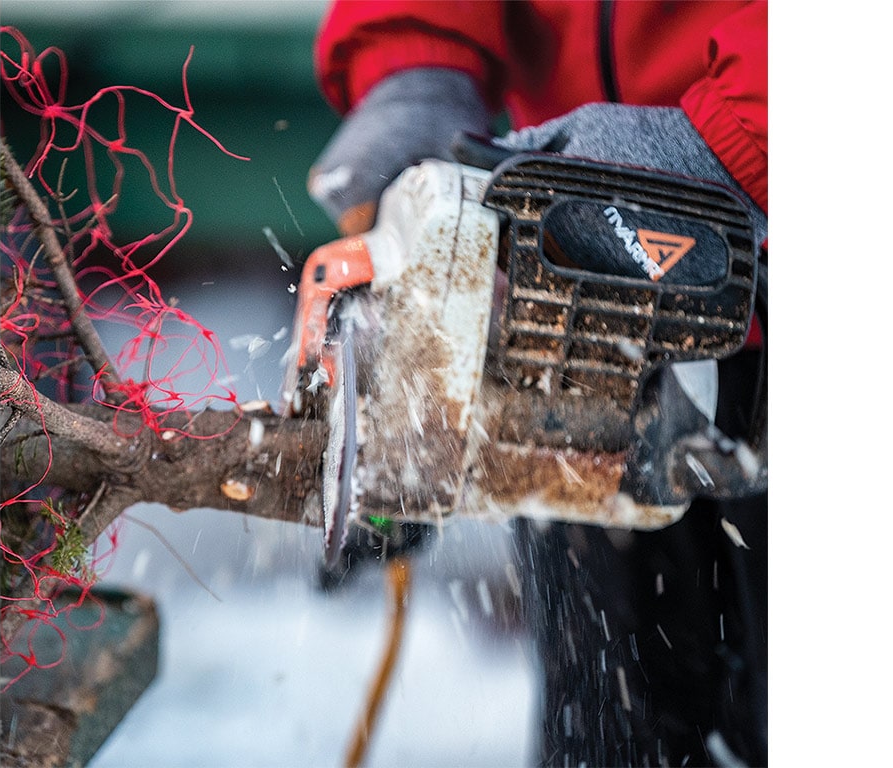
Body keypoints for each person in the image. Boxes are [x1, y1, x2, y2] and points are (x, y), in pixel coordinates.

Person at [305, 2, 768, 766]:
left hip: (729, 206)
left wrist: (745, 141)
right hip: (578, 292)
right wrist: (414, 59)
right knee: (607, 728)